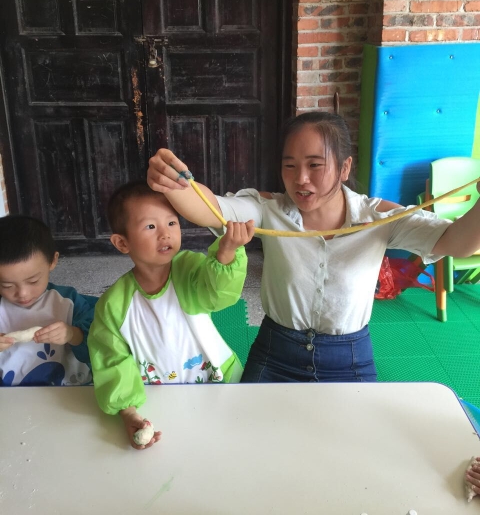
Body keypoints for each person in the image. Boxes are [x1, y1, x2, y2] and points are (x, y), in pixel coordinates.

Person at [147, 111, 480, 384]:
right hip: (275, 353)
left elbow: (458, 242)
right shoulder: (269, 209)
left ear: (344, 167)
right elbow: (211, 208)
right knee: (251, 435)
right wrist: (173, 183)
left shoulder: (378, 217)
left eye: (315, 165)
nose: (300, 179)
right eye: (290, 165)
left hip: (350, 360)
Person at [87, 181, 254, 450]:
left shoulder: (189, 268)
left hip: (216, 383)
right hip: (157, 400)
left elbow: (218, 294)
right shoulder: (114, 305)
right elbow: (112, 360)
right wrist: (128, 412)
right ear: (122, 242)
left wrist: (226, 253)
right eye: (150, 227)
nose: (165, 234)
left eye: (172, 223)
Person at [0, 215, 94, 386]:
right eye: (7, 285)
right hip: (12, 394)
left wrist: (72, 334)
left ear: (52, 261)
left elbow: (101, 347)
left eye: (33, 281)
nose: (23, 294)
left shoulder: (67, 301)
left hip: (71, 390)